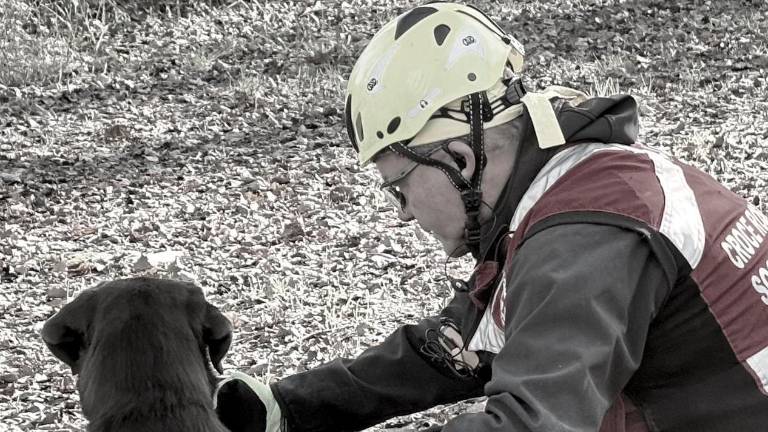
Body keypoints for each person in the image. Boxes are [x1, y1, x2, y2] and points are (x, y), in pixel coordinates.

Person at [214, 2, 768, 431]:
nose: (403, 214)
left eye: (399, 189)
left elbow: (531, 423)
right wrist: (287, 407)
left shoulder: (583, 240)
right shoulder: (574, 184)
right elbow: (461, 346)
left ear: (458, 159)